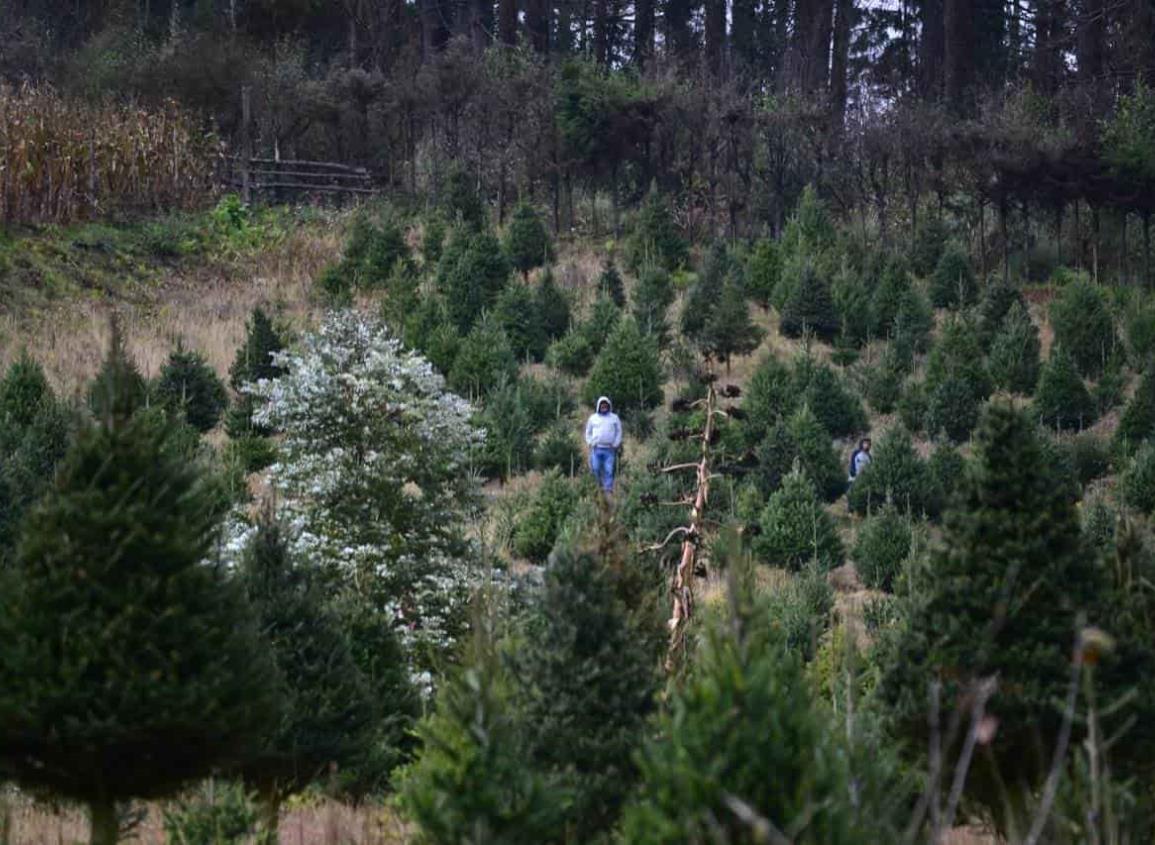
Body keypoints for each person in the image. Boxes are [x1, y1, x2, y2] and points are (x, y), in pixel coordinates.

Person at [585, 396, 622, 497]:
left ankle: (608, 490)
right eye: (602, 405)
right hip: (596, 449)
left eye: (606, 405)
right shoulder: (593, 418)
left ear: (609, 406)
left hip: (609, 449)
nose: (604, 407)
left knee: (608, 470)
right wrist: (590, 442)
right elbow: (588, 432)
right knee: (596, 468)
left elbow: (619, 432)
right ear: (599, 406)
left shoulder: (614, 418)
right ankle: (597, 488)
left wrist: (616, 444)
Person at [847, 437, 872, 508]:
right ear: (861, 444)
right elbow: (852, 463)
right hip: (854, 477)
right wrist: (853, 472)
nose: (866, 445)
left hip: (864, 479)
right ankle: (850, 508)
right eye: (865, 443)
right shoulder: (856, 453)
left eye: (868, 444)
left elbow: (871, 467)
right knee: (850, 493)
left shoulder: (869, 457)